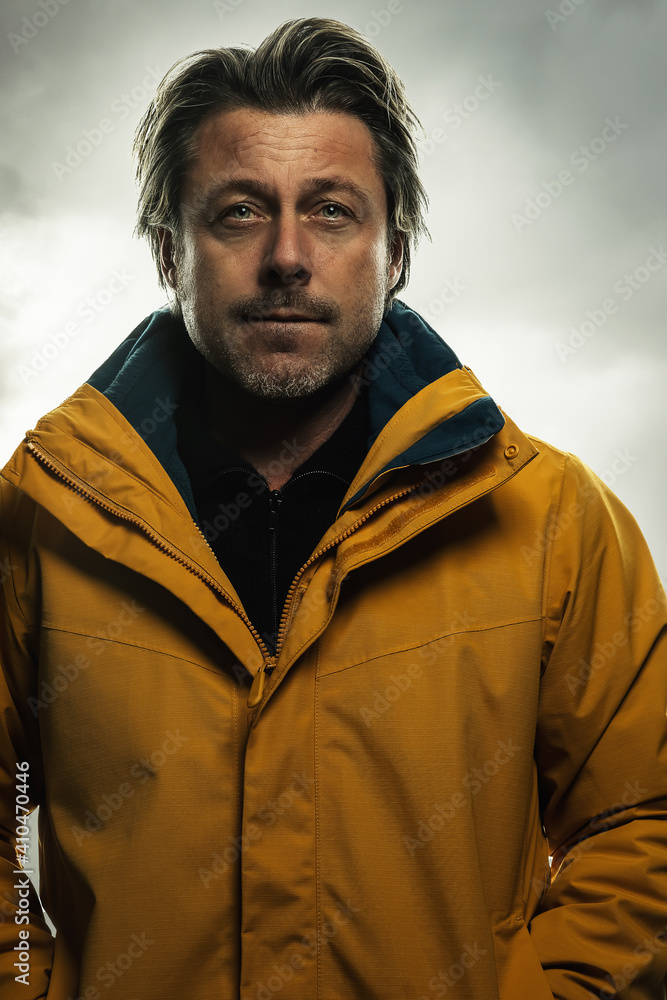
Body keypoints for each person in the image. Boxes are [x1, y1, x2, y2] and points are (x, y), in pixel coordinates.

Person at [0, 15, 665, 1000]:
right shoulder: (38, 522)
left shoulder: (555, 525)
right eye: (236, 211)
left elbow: (640, 824)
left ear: (393, 250)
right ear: (167, 252)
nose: (285, 256)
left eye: (331, 212)